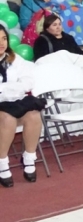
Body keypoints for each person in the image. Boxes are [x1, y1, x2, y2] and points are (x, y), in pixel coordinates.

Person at [0, 25, 47, 188]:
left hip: (15, 101)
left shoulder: (14, 58)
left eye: (4, 39)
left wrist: (7, 89)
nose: (2, 43)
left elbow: (27, 82)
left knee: (33, 115)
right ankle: (2, 162)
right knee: (7, 119)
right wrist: (11, 88)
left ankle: (29, 157)